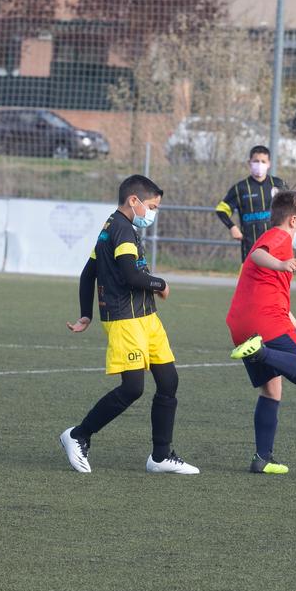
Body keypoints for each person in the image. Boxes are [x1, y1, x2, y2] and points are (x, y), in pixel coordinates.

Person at [60, 174, 199, 474]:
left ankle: (161, 456)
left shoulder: (114, 225)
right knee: (132, 388)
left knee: (168, 381)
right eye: (152, 206)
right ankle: (78, 435)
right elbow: (130, 276)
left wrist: (86, 313)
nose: (153, 213)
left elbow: (89, 272)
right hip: (125, 319)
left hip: (146, 318)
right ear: (133, 201)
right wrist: (161, 283)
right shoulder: (121, 229)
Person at [226, 190, 296, 474]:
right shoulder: (279, 237)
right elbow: (257, 254)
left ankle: (263, 458)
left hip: (241, 324)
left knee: (272, 390)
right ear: (293, 220)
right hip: (265, 322)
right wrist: (281, 263)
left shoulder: (281, 244)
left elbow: (282, 303)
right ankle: (262, 352)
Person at [216, 145, 287, 262]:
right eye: (256, 161)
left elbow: (292, 208)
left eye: (263, 161)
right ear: (249, 163)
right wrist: (232, 227)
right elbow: (221, 209)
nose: (259, 165)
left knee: (274, 278)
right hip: (250, 247)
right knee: (250, 279)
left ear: (269, 163)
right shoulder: (240, 188)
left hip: (276, 245)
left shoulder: (279, 184)